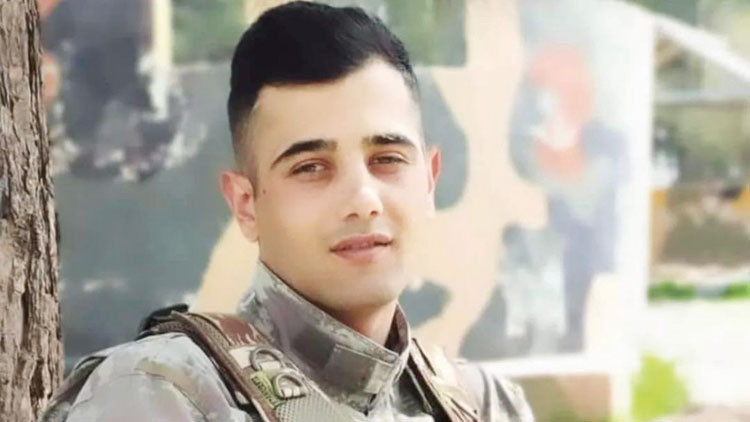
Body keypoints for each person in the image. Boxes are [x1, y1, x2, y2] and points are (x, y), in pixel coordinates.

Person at [40, 2, 535, 421]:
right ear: (246, 204)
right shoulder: (163, 394)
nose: (363, 199)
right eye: (311, 168)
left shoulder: (485, 405)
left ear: (429, 181)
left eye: (386, 159)